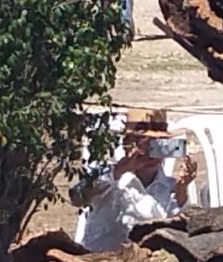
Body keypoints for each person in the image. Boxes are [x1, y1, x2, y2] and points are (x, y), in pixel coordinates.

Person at [70, 108, 197, 252]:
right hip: (101, 259)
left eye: (158, 145)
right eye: (145, 145)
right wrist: (121, 168)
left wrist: (181, 191)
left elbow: (183, 233)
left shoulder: (170, 187)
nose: (151, 153)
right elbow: (76, 197)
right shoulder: (109, 176)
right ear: (128, 145)